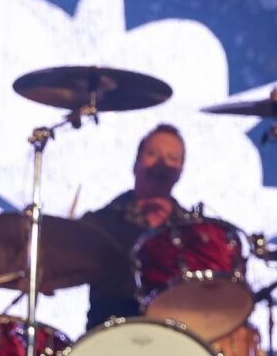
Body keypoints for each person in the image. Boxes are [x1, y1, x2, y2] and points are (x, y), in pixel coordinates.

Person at [78, 123, 192, 331]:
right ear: (136, 164)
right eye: (153, 154)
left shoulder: (192, 232)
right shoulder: (100, 223)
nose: (162, 164)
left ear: (180, 172)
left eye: (172, 158)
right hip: (107, 339)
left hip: (175, 339)